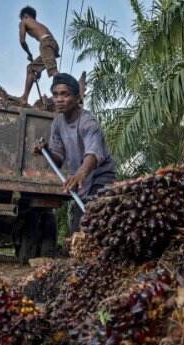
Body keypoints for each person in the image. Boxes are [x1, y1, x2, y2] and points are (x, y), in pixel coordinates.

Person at [33, 73, 116, 235]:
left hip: (101, 179)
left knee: (92, 226)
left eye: (65, 94)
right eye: (55, 95)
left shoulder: (88, 122)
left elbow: (93, 154)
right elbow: (57, 159)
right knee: (77, 232)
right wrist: (46, 151)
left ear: (77, 98)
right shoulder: (57, 123)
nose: (59, 99)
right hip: (83, 183)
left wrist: (80, 174)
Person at [19, 6, 60, 105]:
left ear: (25, 16)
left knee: (54, 71)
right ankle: (24, 97)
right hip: (53, 45)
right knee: (31, 69)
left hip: (45, 42)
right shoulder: (41, 25)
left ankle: (62, 94)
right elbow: (49, 52)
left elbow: (22, 41)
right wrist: (39, 70)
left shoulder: (24, 21)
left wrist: (29, 53)